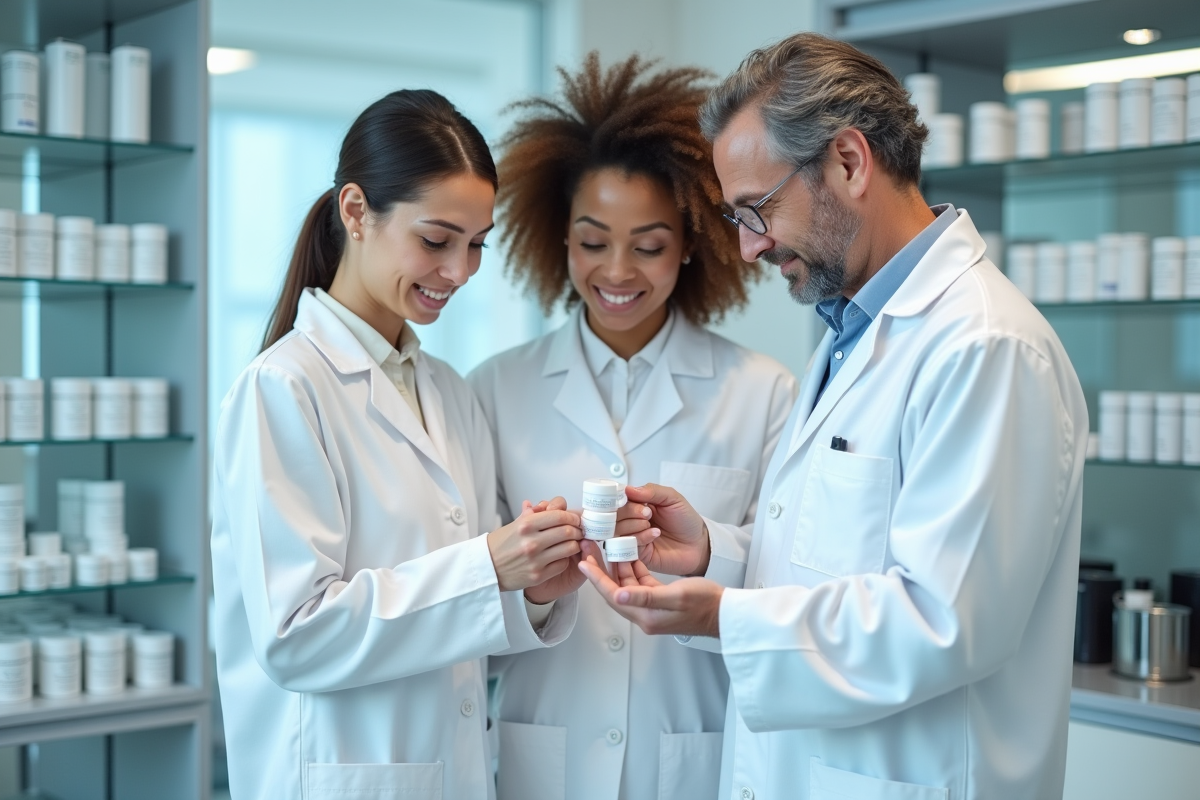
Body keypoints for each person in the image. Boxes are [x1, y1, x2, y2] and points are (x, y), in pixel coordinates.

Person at [581, 33, 1088, 800]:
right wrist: (715, 553)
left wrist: (725, 618)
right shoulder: (851, 334)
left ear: (849, 162)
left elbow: (943, 621)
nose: (748, 248)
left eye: (757, 210)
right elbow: (837, 557)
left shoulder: (986, 347)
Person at [211, 90, 587, 800]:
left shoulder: (448, 392)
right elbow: (296, 636)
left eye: (477, 245)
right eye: (437, 240)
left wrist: (530, 590)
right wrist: (486, 568)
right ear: (356, 211)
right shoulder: (283, 389)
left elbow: (458, 623)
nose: (460, 272)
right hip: (340, 777)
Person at [467, 54, 797, 800]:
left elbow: (792, 576)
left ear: (691, 243)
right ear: (558, 238)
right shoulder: (494, 389)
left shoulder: (764, 392)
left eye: (648, 245)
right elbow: (469, 592)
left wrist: (706, 553)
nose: (617, 271)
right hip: (545, 755)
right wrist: (537, 589)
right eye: (592, 241)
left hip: (693, 751)